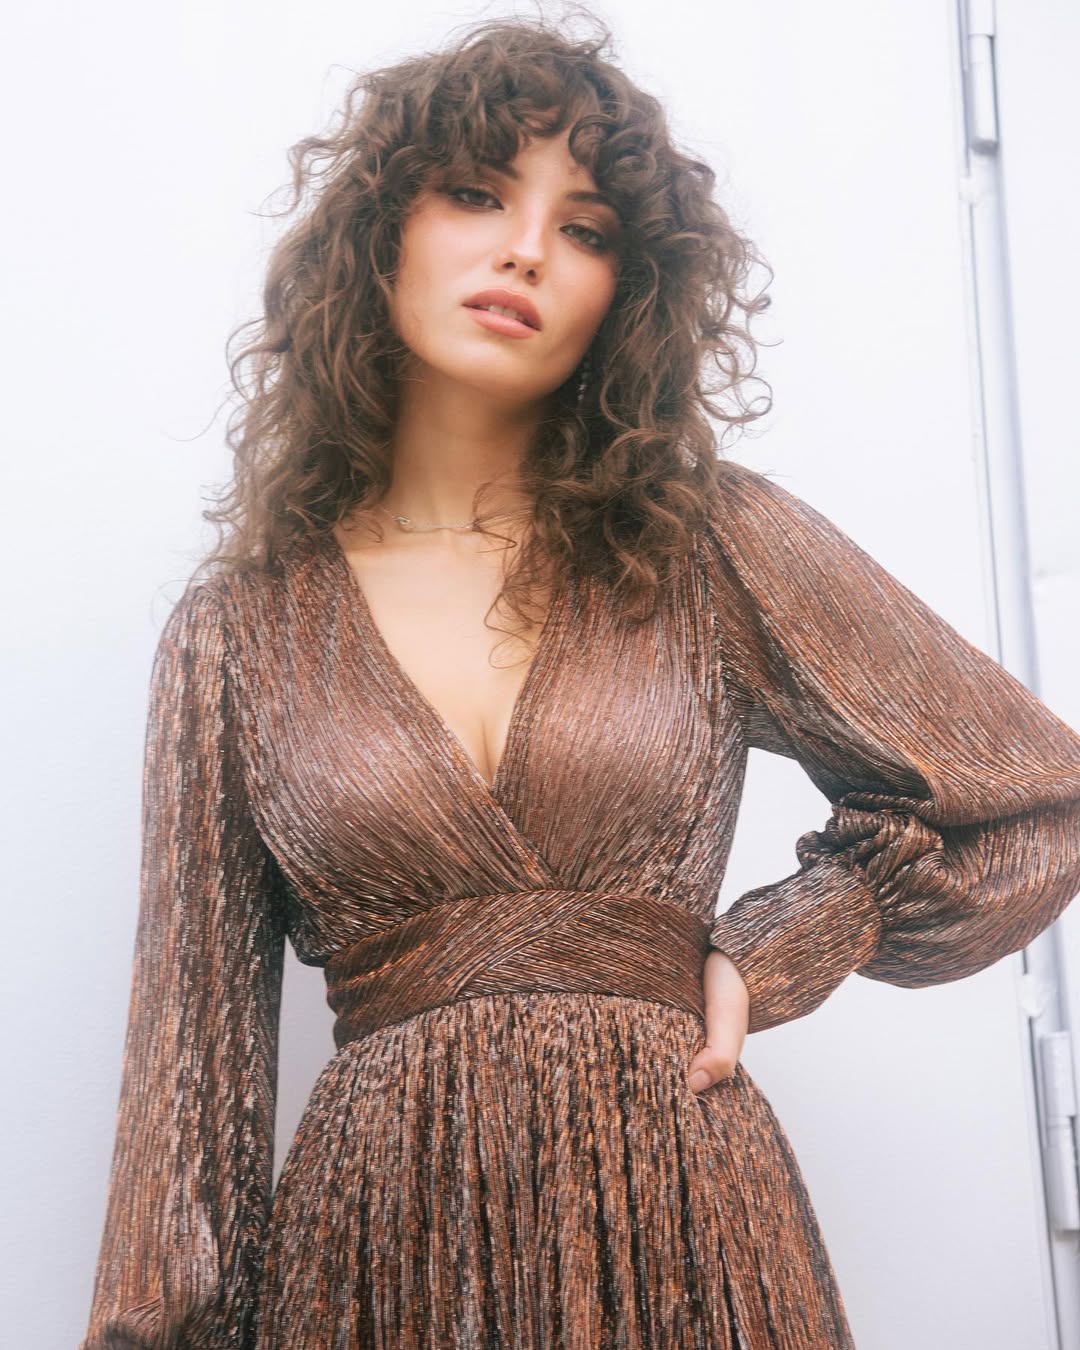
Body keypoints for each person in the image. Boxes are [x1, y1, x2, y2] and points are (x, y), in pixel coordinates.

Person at [81, 13, 1080, 1349]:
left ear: (629, 292)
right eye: (475, 192)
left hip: (689, 1224)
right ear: (380, 231)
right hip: (379, 1259)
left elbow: (1032, 800)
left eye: (588, 227)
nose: (527, 250)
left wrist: (785, 942)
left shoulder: (705, 544)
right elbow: (186, 1110)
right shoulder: (238, 630)